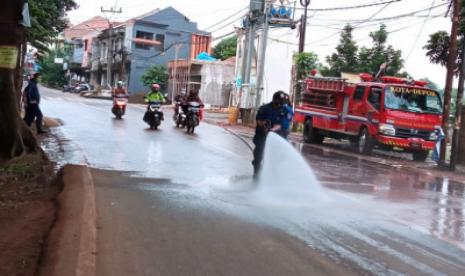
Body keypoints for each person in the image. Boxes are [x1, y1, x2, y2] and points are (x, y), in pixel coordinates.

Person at [252, 91, 287, 177]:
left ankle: (272, 177)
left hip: (275, 138)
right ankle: (256, 175)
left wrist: (272, 130)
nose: (280, 105)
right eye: (278, 102)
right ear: (274, 100)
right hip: (261, 137)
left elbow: (281, 124)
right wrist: (263, 125)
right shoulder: (264, 108)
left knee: (276, 159)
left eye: (281, 103)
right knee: (258, 157)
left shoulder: (283, 110)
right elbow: (258, 120)